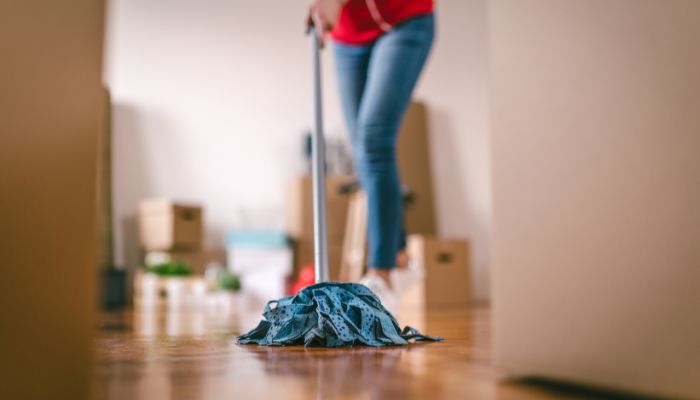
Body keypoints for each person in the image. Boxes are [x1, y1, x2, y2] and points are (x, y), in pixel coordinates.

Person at [308, 0, 434, 311]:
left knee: (374, 140)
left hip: (404, 19)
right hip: (349, 37)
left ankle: (383, 272)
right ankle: (401, 259)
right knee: (362, 149)